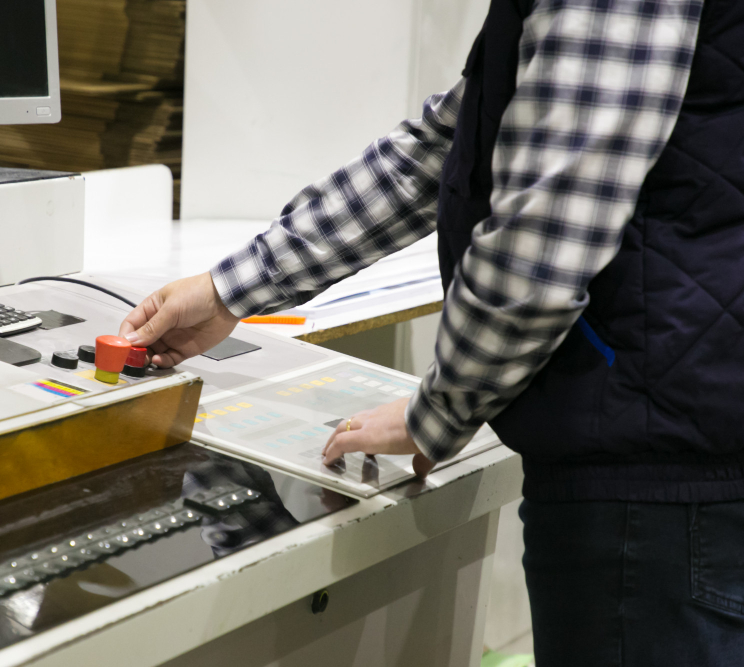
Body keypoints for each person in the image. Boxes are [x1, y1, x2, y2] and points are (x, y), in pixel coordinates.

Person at [120, 0, 744, 663]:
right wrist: (230, 288)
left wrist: (439, 411)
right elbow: (451, 141)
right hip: (669, 437)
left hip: (658, 484)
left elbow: (543, 235)